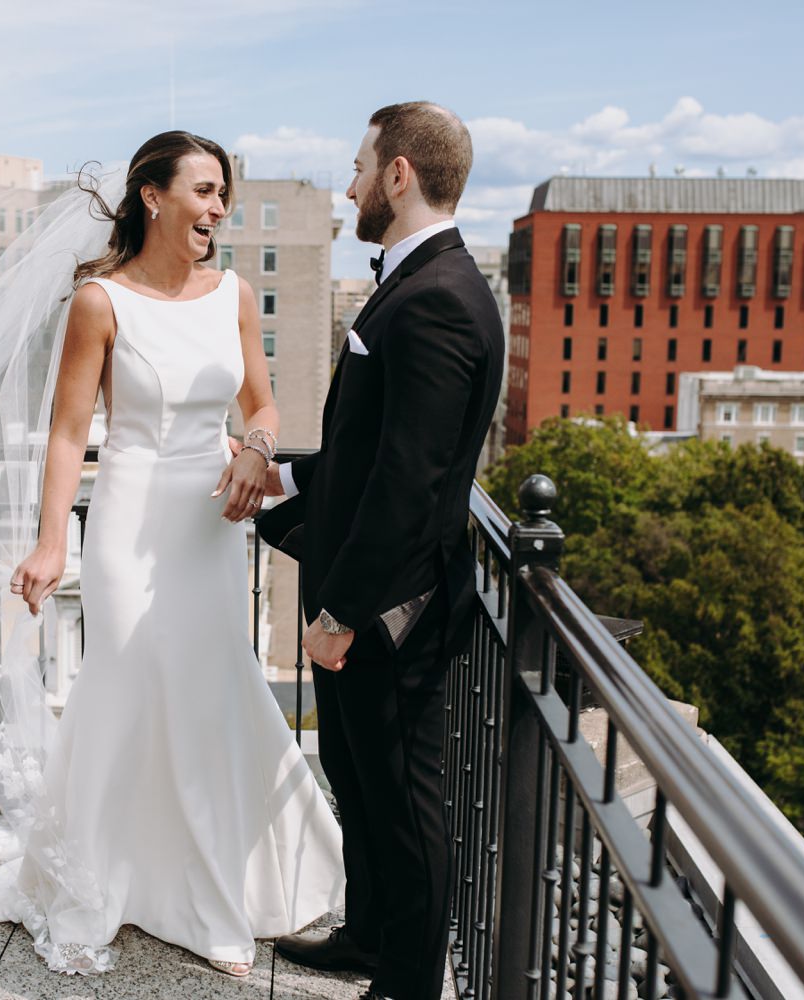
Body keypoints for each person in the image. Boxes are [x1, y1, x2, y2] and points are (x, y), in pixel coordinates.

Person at [0, 131, 344, 976]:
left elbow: (264, 403)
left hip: (209, 525)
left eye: (223, 197)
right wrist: (52, 539)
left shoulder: (234, 294)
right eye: (203, 191)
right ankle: (104, 876)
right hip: (129, 520)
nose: (216, 209)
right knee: (130, 684)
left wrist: (253, 447)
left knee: (207, 692)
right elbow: (68, 434)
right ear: (153, 196)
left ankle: (210, 891)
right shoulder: (101, 302)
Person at [258, 102, 505, 1000]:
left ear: (399, 173)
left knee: (404, 803)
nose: (351, 181)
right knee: (356, 777)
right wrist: (284, 489)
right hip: (366, 598)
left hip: (390, 613)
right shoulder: (417, 280)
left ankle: (406, 984)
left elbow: (410, 483)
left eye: (360, 165)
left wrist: (338, 612)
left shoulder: (438, 297)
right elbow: (369, 450)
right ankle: (368, 935)